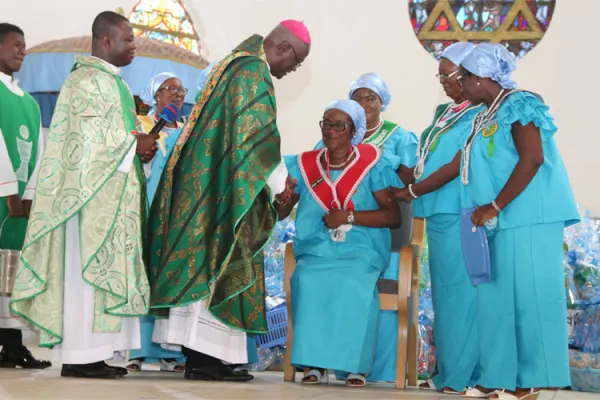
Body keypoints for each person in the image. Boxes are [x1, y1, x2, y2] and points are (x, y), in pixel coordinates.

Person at [146, 20, 311, 382]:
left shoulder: (233, 62)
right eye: (295, 61)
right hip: (224, 190)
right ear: (283, 49)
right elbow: (259, 139)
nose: (292, 69)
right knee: (220, 260)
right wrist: (282, 184)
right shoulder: (253, 72)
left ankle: (203, 356)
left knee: (203, 259)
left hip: (209, 181)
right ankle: (206, 358)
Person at [9, 11, 158, 379]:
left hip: (111, 199)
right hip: (86, 205)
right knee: (83, 277)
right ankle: (79, 356)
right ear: (106, 40)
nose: (133, 46)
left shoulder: (116, 85)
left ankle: (99, 352)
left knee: (101, 280)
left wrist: (141, 149)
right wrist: (132, 142)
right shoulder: (85, 81)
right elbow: (87, 142)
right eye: (128, 39)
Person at [456, 43, 578, 399]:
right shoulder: (486, 113)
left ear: (481, 78)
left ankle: (530, 382)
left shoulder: (521, 103)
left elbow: (532, 159)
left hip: (530, 216)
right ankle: (497, 376)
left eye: (464, 77)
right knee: (495, 300)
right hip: (498, 219)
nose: (460, 85)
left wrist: (494, 205)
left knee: (530, 299)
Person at [276, 99, 400, 387]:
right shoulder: (304, 166)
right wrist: (283, 200)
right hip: (316, 250)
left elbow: (392, 216)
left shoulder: (373, 165)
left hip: (360, 249)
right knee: (307, 279)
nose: (331, 131)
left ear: (354, 131)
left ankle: (354, 367)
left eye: (339, 125)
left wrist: (350, 216)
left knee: (354, 282)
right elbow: (282, 212)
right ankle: (314, 364)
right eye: (327, 123)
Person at [392, 42, 484, 393]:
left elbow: (456, 164)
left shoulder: (480, 114)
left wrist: (413, 192)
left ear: (469, 74)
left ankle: (463, 377)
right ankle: (450, 372)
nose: (442, 80)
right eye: (441, 73)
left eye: (448, 73)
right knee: (446, 298)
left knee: (463, 297)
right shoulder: (444, 112)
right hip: (439, 212)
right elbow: (427, 160)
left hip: (462, 209)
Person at [126, 72, 187, 372]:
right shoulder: (144, 124)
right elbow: (140, 160)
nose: (177, 94)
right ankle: (140, 349)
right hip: (150, 207)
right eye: (170, 89)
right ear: (154, 94)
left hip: (180, 213)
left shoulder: (190, 128)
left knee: (171, 276)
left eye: (180, 90)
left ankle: (172, 352)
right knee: (146, 273)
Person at [0, 22, 50, 370]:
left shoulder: (30, 104)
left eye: (24, 45)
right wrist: (9, 192)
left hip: (19, 203)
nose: (23, 51)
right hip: (5, 199)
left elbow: (39, 150)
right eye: (16, 45)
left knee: (10, 275)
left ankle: (13, 346)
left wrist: (30, 194)